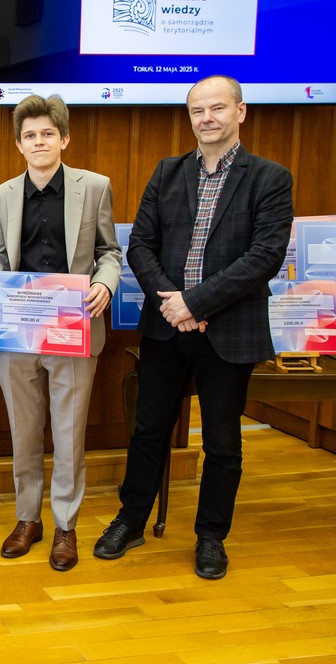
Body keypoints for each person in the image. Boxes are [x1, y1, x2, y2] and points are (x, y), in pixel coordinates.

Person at [93, 76, 293, 579]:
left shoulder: (270, 178)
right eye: (198, 110)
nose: (207, 118)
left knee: (222, 441)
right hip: (167, 329)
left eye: (217, 108)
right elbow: (140, 245)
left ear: (240, 112)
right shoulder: (167, 171)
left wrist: (196, 303)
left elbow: (264, 257)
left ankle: (210, 536)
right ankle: (131, 520)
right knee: (148, 430)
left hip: (230, 331)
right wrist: (174, 305)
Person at [0, 94, 120, 572]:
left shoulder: (95, 187)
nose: (38, 142)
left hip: (73, 329)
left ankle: (66, 526)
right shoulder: (0, 196)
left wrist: (105, 284)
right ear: (19, 144)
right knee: (24, 432)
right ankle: (28, 519)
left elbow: (110, 252)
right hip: (17, 333)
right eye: (29, 135)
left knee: (69, 435)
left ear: (64, 138)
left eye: (47, 133)